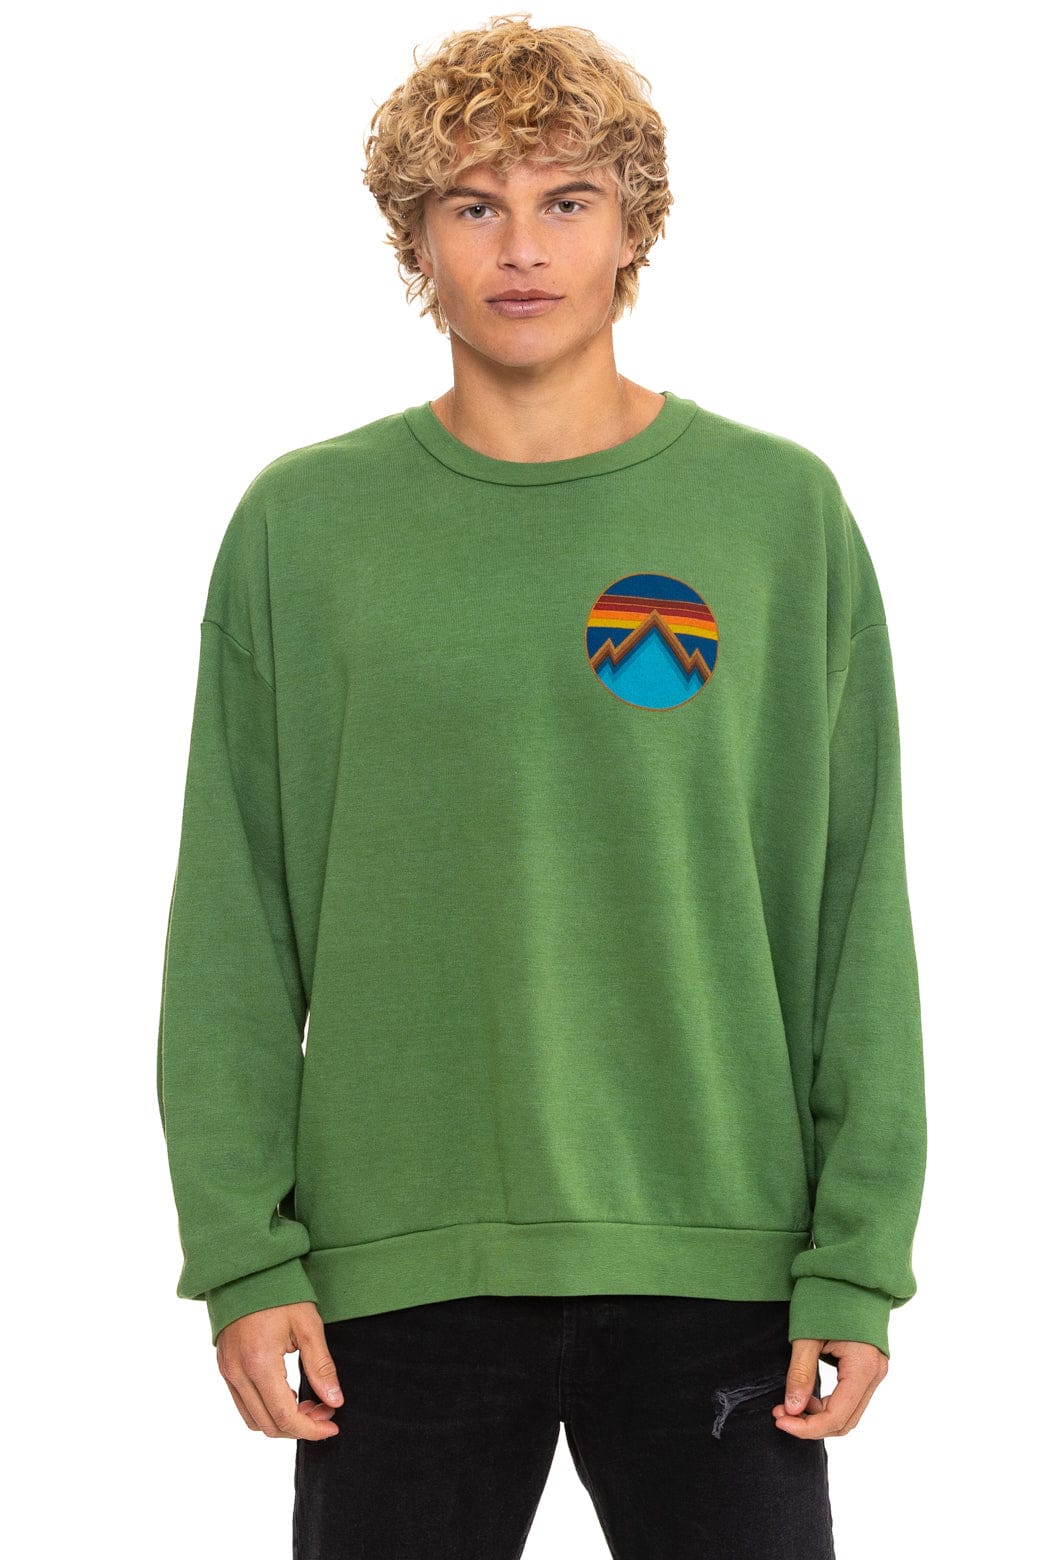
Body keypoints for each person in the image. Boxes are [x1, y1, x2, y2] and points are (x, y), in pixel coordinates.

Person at [156, 13, 927, 1557]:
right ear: (415, 243)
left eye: (567, 199)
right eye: (473, 204)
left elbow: (855, 903)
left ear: (634, 226)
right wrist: (244, 1253)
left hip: (721, 1261)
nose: (522, 247)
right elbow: (234, 917)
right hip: (398, 1269)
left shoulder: (778, 515)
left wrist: (857, 1255)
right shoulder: (304, 529)